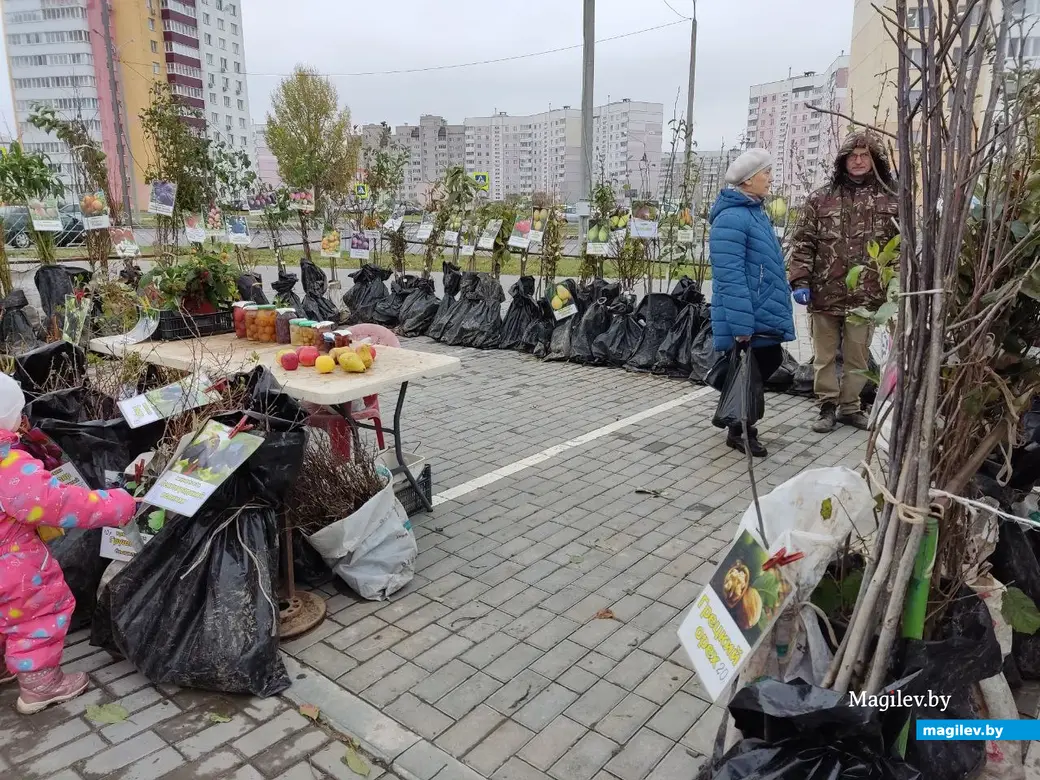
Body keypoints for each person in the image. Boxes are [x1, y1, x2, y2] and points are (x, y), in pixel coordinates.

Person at [0, 373, 136, 714]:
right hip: (11, 562)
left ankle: (4, 664)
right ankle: (40, 686)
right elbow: (58, 504)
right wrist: (118, 504)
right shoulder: (8, 467)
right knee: (38, 613)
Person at [789, 131, 898, 433]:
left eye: (865, 156)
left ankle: (850, 407)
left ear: (875, 160)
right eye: (853, 156)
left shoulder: (891, 199)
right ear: (843, 161)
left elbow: (901, 246)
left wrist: (895, 285)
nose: (859, 161)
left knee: (857, 355)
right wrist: (800, 281)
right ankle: (826, 407)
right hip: (825, 293)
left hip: (866, 296)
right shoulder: (820, 199)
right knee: (824, 357)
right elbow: (803, 243)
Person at [709, 148, 796, 458]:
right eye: (765, 173)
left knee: (761, 364)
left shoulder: (754, 211)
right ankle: (740, 429)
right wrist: (742, 325)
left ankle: (738, 423)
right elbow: (729, 276)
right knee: (751, 368)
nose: (770, 178)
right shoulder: (732, 218)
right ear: (747, 181)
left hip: (761, 307)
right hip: (748, 312)